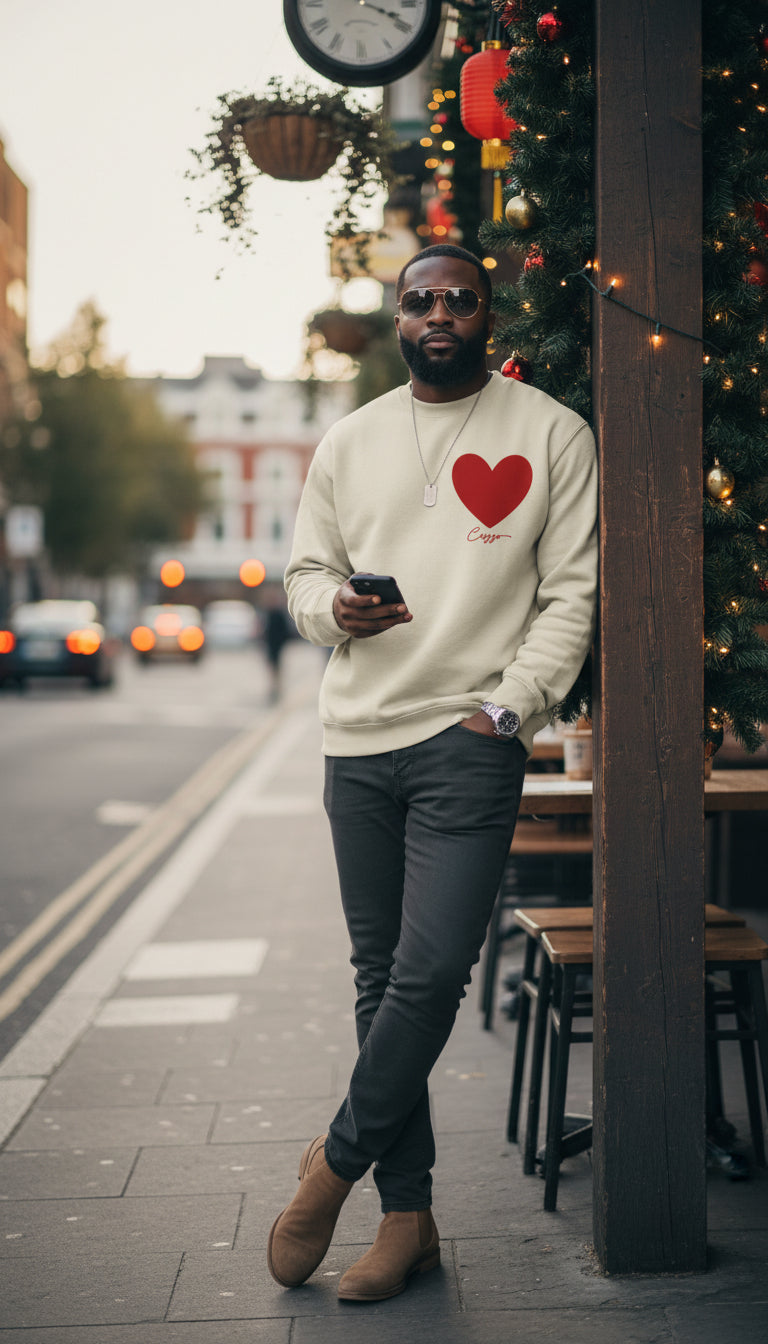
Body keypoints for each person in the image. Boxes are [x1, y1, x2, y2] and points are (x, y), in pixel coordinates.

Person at [271, 244, 598, 1303]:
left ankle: (332, 1164)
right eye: (421, 301)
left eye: (461, 298)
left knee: (429, 974)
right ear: (397, 317)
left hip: (470, 740)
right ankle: (406, 1220)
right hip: (357, 741)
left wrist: (508, 708)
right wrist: (337, 612)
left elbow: (571, 596)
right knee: (381, 982)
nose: (441, 313)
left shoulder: (551, 434)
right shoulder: (352, 439)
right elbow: (306, 576)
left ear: (488, 315)